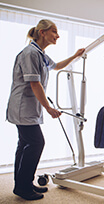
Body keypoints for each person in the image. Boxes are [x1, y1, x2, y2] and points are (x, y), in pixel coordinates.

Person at [6, 19, 85, 200]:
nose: (57, 35)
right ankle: (23, 187)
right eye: (54, 31)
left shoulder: (39, 53)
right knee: (35, 143)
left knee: (24, 145)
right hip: (22, 108)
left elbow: (56, 66)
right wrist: (48, 108)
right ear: (42, 32)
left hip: (27, 108)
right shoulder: (30, 53)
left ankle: (23, 184)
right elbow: (35, 84)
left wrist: (75, 56)